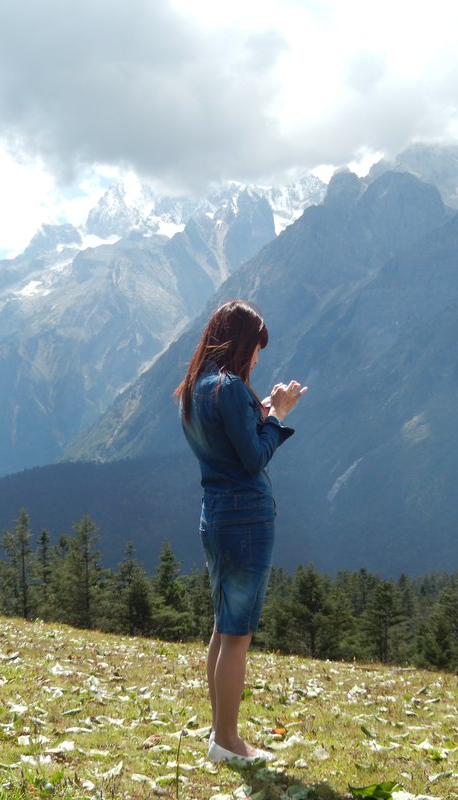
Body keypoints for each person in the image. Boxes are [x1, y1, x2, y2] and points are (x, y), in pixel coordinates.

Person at [175, 299, 306, 764]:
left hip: (215, 515)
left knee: (222, 626)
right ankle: (227, 741)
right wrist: (277, 417)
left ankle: (219, 734)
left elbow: (229, 441)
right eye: (254, 350)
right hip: (246, 517)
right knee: (238, 634)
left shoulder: (196, 388)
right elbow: (252, 457)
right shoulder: (229, 388)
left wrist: (264, 408)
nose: (256, 360)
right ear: (239, 344)